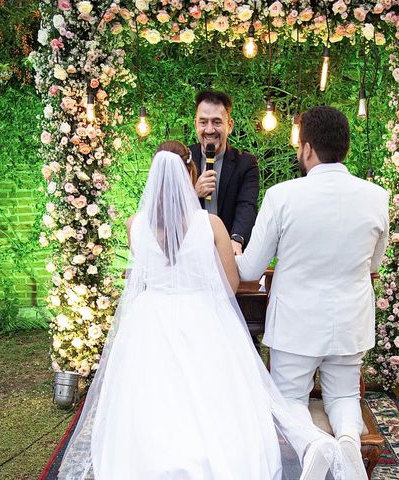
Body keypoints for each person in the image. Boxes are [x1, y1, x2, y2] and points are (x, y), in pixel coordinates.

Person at [57, 141, 345, 480]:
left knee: (150, 399)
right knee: (214, 399)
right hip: (202, 317)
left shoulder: (135, 225)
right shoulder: (211, 226)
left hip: (149, 320)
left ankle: (152, 465)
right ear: (190, 174)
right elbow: (230, 285)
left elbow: (146, 276)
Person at [236, 107, 390, 480]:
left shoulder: (282, 195)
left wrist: (231, 249)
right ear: (346, 149)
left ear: (306, 149)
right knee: (343, 397)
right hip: (350, 320)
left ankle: (312, 445)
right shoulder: (376, 196)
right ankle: (349, 443)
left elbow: (251, 270)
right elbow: (374, 264)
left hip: (296, 322)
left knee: (291, 397)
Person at [190, 90, 259, 255]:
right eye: (203, 122)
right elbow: (168, 208)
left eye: (217, 122)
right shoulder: (183, 159)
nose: (209, 129)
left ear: (230, 125)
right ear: (195, 124)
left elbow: (246, 206)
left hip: (228, 252)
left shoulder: (246, 163)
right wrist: (194, 192)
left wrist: (236, 240)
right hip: (190, 253)